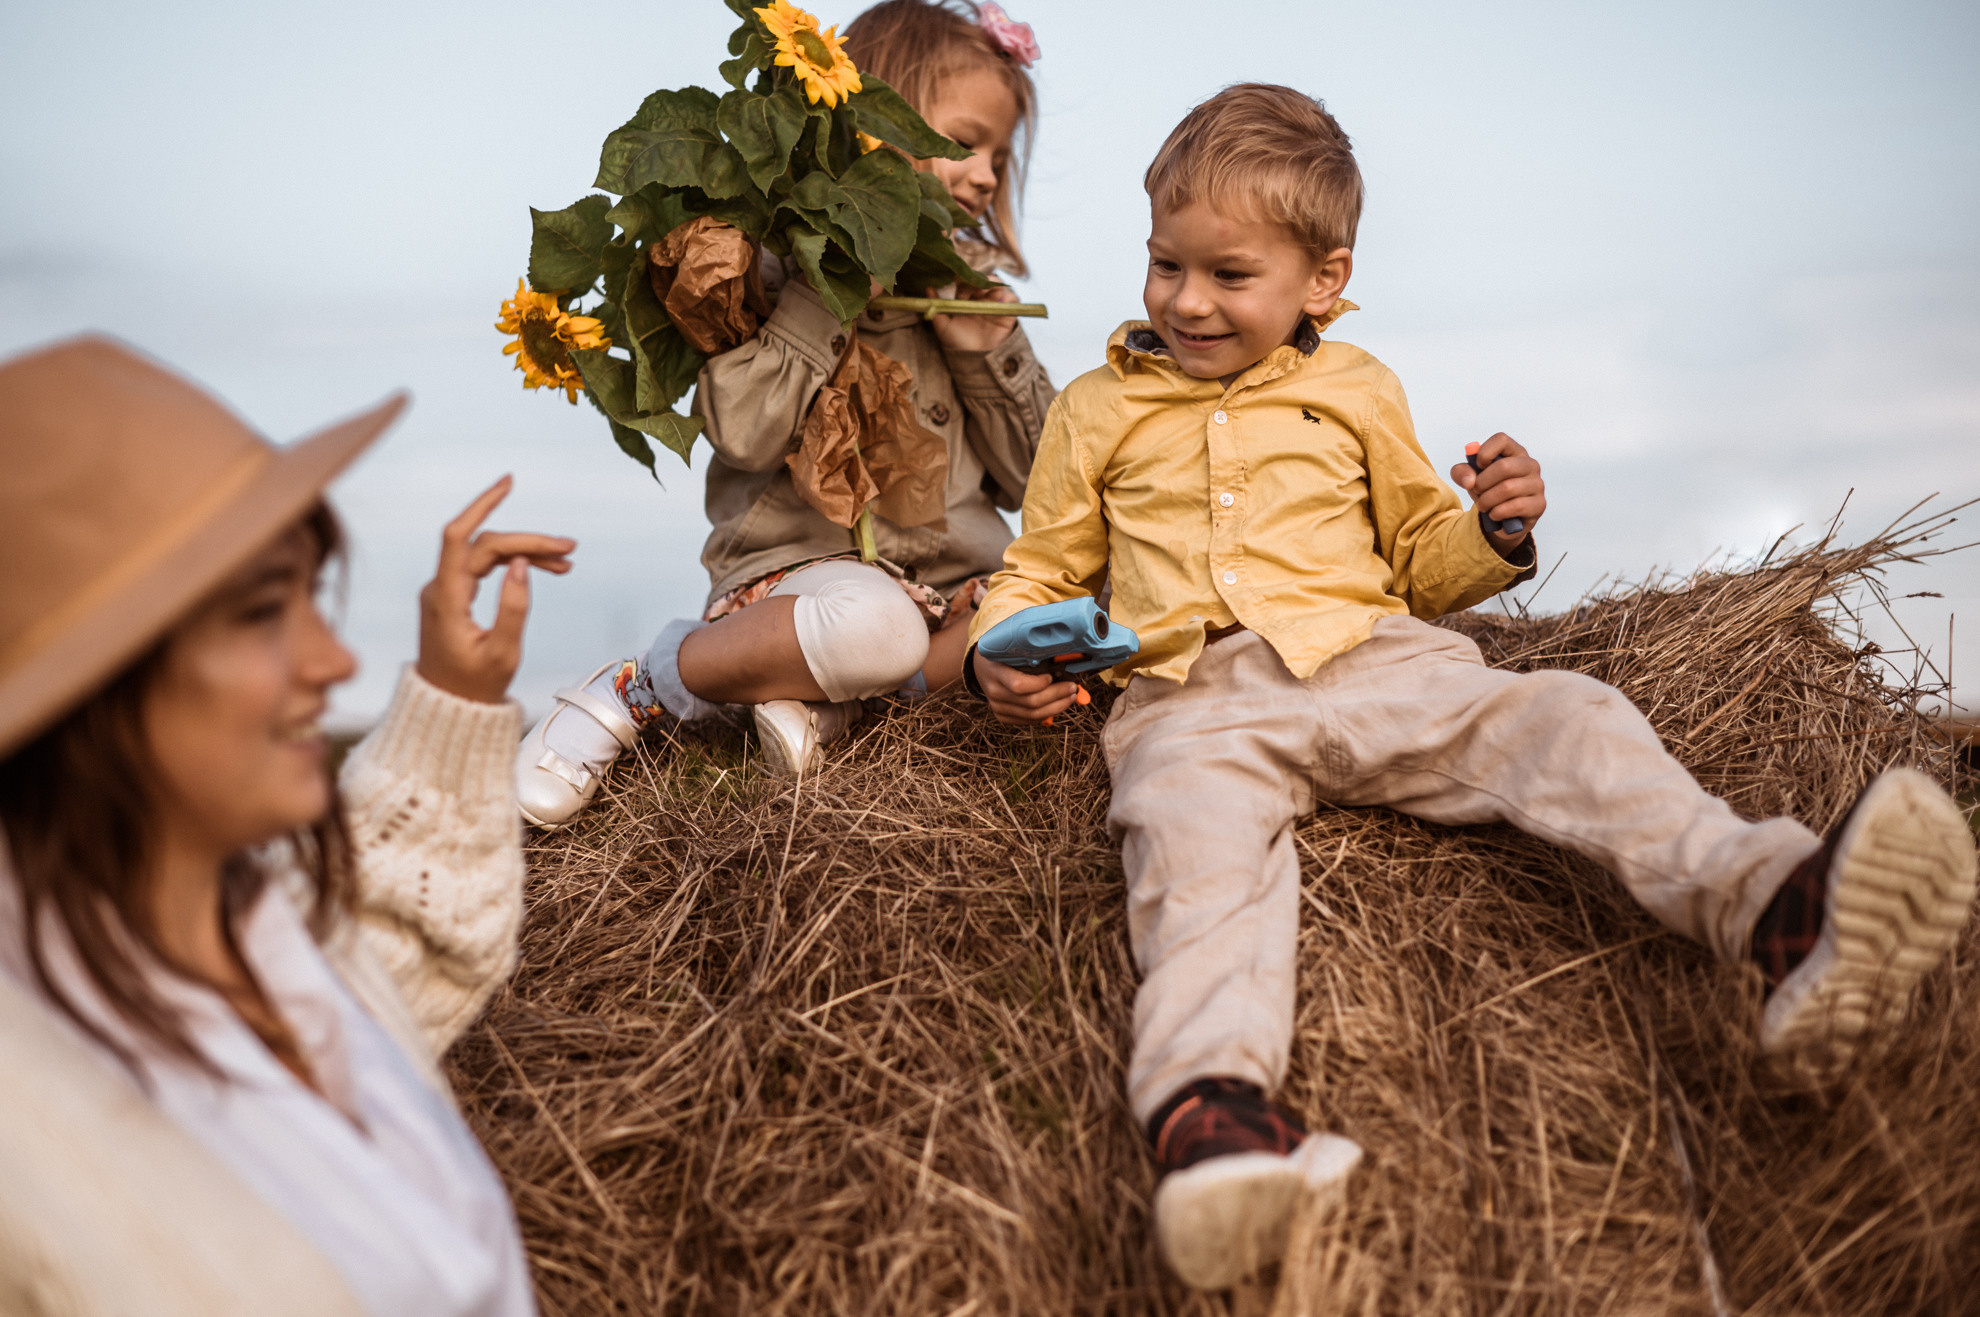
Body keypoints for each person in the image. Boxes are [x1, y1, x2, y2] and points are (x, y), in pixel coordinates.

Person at [964, 84, 1980, 1291]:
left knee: (1565, 716)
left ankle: (1777, 909)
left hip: (1382, 664)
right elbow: (1037, 563)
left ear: (1322, 281)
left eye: (1229, 275)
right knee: (1190, 854)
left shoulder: (1357, 390)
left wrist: (1494, 533)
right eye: (1164, 265)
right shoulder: (1097, 408)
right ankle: (1213, 1116)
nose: (1187, 300)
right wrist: (1001, 650)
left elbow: (1415, 560)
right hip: (1198, 700)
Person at [0, 336, 576, 1315]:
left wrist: (450, 693)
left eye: (314, 594)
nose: (337, 660)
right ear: (97, 678)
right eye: (266, 611)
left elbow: (398, 937)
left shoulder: (285, 946)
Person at [515, 0, 1055, 825]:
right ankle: (646, 682)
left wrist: (991, 351)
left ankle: (829, 712)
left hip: (947, 595)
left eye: (999, 155)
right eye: (964, 142)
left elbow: (1038, 483)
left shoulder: (973, 292)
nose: (986, 173)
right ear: (875, 127)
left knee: (1053, 610)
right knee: (878, 627)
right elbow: (747, 430)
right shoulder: (771, 274)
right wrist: (823, 301)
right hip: (808, 587)